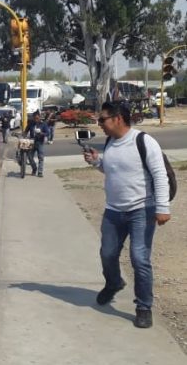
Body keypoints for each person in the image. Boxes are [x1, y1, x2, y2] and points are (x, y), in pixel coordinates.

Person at [83, 102, 170, 328]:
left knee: (139, 259)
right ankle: (114, 283)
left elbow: (160, 175)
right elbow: (113, 169)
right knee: (107, 254)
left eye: (102, 119)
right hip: (113, 211)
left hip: (142, 210)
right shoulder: (111, 142)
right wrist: (97, 162)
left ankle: (143, 307)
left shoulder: (144, 141)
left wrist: (162, 207)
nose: (99, 124)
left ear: (117, 119)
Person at [24, 112, 49, 177]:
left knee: (40, 157)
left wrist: (41, 133)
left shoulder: (43, 124)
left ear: (39, 117)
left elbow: (47, 133)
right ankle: (34, 168)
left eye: (37, 118)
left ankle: (40, 172)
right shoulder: (31, 123)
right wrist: (24, 137)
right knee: (29, 157)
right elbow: (26, 131)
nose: (36, 119)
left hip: (40, 142)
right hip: (32, 142)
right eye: (35, 118)